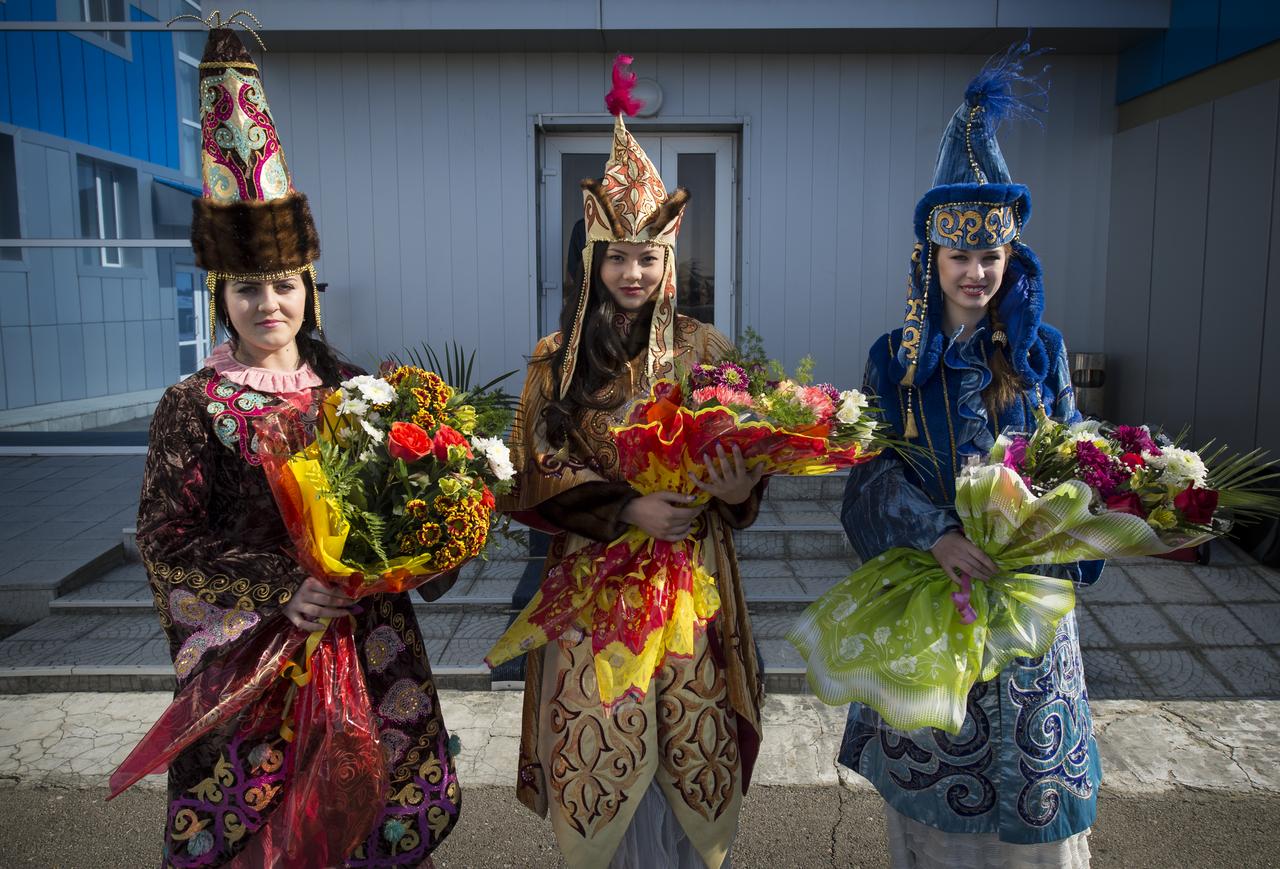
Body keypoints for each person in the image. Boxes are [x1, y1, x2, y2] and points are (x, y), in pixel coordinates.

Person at [136, 21, 459, 867]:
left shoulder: (360, 392)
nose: (268, 303)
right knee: (268, 834)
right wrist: (287, 586)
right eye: (248, 287)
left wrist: (435, 541)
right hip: (257, 664)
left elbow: (412, 510)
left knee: (366, 823)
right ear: (221, 293)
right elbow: (166, 541)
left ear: (309, 287)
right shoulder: (191, 405)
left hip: (366, 647)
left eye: (284, 284)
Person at [837, 43, 1100, 867]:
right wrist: (937, 534)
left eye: (993, 256)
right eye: (962, 256)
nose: (978, 272)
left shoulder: (1042, 349)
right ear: (932, 260)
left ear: (1011, 257)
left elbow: (1075, 450)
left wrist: (1080, 508)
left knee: (1032, 811)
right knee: (935, 805)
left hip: (1026, 604)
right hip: (933, 594)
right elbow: (868, 474)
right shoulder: (894, 358)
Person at [501, 56, 765, 869]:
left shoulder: (705, 349)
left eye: (648, 257)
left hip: (695, 579)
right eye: (616, 256)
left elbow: (750, 452)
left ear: (669, 262)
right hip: (592, 588)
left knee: (687, 749)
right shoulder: (557, 357)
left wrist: (739, 484)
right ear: (591, 262)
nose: (633, 273)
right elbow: (527, 466)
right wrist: (623, 508)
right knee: (608, 747)